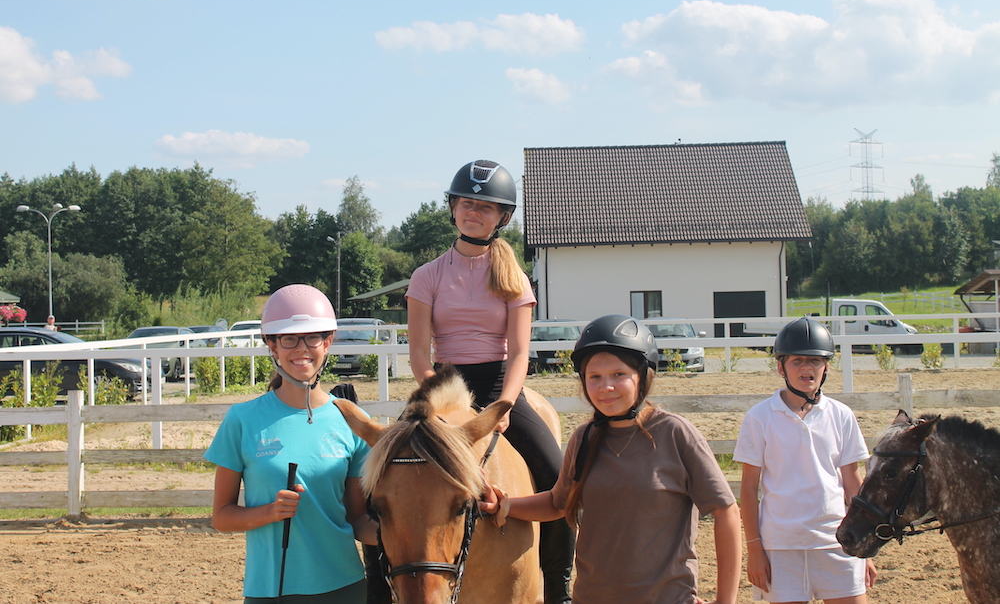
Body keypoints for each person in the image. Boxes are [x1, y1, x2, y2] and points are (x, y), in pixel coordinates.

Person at [400, 159, 575, 604]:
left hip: (499, 385)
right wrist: (443, 402)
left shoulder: (514, 278)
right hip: (442, 388)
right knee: (380, 477)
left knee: (558, 477)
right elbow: (419, 354)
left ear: (502, 217)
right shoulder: (426, 276)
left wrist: (506, 406)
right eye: (466, 203)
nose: (473, 212)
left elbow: (519, 354)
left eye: (485, 206)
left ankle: (558, 585)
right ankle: (381, 589)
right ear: (452, 208)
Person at [481, 314, 742, 604]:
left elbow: (726, 512)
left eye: (619, 374)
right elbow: (557, 503)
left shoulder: (675, 434)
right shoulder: (584, 438)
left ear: (642, 376)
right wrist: (505, 505)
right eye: (595, 377)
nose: (606, 387)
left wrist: (725, 600)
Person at [205, 284, 375, 604]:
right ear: (272, 346)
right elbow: (222, 517)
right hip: (270, 591)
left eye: (312, 338)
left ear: (327, 342)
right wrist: (270, 512)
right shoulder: (242, 420)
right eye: (289, 339)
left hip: (345, 588)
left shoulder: (353, 420)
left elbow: (358, 519)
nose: (301, 349)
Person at [734, 317, 877, 604]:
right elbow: (748, 489)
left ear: (826, 367)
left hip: (837, 541)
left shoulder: (841, 415)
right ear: (781, 367)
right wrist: (755, 550)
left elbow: (852, 483)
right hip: (781, 545)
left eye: (814, 361)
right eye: (797, 361)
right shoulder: (759, 418)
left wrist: (865, 547)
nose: (806, 368)